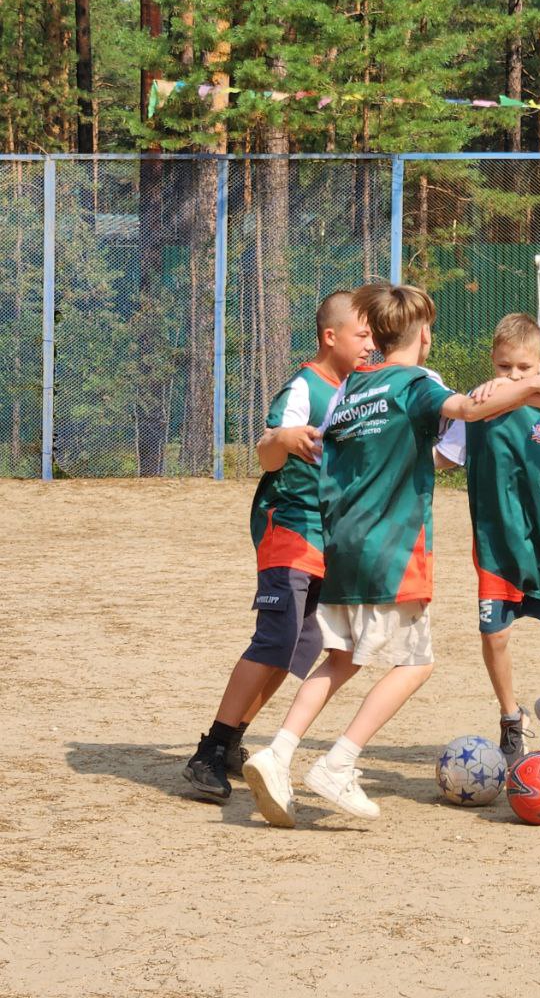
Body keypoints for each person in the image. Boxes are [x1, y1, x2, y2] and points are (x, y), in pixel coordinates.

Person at [241, 283, 540, 827]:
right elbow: (467, 408)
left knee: (341, 658)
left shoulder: (352, 385)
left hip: (341, 542)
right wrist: (536, 383)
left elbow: (310, 446)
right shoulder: (417, 382)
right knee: (416, 664)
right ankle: (339, 762)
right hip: (392, 546)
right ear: (423, 334)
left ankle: (277, 752)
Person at [183, 291, 373, 801]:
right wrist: (283, 440)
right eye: (361, 334)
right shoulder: (305, 386)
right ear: (330, 336)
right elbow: (267, 454)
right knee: (277, 635)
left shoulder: (359, 391)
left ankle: (231, 740)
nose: (369, 344)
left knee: (303, 645)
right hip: (287, 525)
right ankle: (208, 751)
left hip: (325, 535)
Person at [435, 313, 540, 763]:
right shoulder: (475, 407)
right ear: (492, 360)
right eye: (505, 366)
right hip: (496, 544)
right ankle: (510, 718)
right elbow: (443, 458)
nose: (515, 376)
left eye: (524, 367)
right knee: (495, 636)